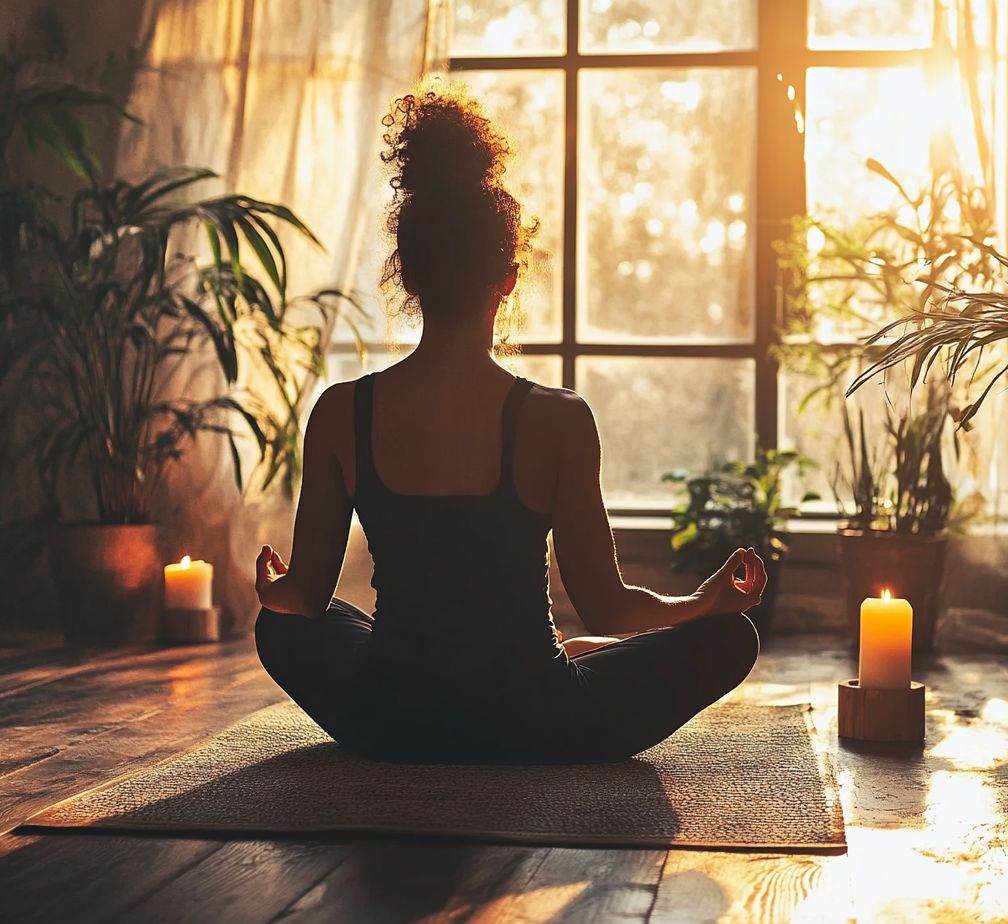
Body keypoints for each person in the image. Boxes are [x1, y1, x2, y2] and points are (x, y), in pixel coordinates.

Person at [252, 86, 765, 764]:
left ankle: (551, 667)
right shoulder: (559, 419)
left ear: (407, 274)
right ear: (509, 276)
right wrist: (700, 603)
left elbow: (306, 597)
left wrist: (272, 588)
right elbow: (608, 606)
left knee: (279, 628)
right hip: (536, 720)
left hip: (390, 716)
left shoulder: (341, 411)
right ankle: (576, 663)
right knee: (734, 639)